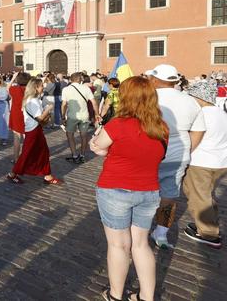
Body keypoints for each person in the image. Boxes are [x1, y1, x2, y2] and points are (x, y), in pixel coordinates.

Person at [90, 76, 168, 301]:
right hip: (149, 190)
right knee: (141, 245)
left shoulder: (118, 124)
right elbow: (158, 156)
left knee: (118, 245)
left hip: (115, 188)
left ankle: (115, 295)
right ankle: (146, 297)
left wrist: (100, 148)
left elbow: (98, 145)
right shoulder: (162, 127)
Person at [146, 64, 206, 249]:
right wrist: (186, 151)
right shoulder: (189, 100)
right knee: (169, 196)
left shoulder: (148, 97)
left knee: (142, 193)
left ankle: (140, 228)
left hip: (148, 153)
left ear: (155, 79)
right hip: (178, 154)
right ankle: (161, 233)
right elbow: (198, 131)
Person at [182, 81, 226, 249]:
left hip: (201, 163)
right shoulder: (221, 113)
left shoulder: (201, 115)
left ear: (199, 97)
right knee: (207, 196)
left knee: (199, 197)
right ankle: (209, 225)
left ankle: (209, 234)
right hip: (220, 162)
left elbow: (191, 138)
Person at [6, 78, 62, 185]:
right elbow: (40, 118)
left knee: (43, 152)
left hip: (34, 130)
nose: (43, 87)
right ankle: (12, 174)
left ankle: (47, 175)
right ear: (36, 88)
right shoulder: (33, 101)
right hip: (33, 130)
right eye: (41, 86)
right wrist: (48, 109)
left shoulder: (30, 99)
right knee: (27, 153)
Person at [61, 72, 100, 164]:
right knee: (84, 136)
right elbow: (94, 102)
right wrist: (97, 114)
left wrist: (63, 116)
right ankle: (82, 155)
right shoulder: (86, 88)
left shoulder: (66, 89)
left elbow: (64, 104)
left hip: (72, 116)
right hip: (84, 115)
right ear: (80, 80)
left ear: (71, 79)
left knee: (70, 135)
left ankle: (74, 155)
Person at [9, 72, 30, 162]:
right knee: (27, 137)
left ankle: (16, 158)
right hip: (27, 115)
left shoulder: (14, 89)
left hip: (16, 114)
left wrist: (13, 78)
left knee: (17, 137)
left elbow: (8, 88)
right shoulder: (30, 90)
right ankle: (28, 158)